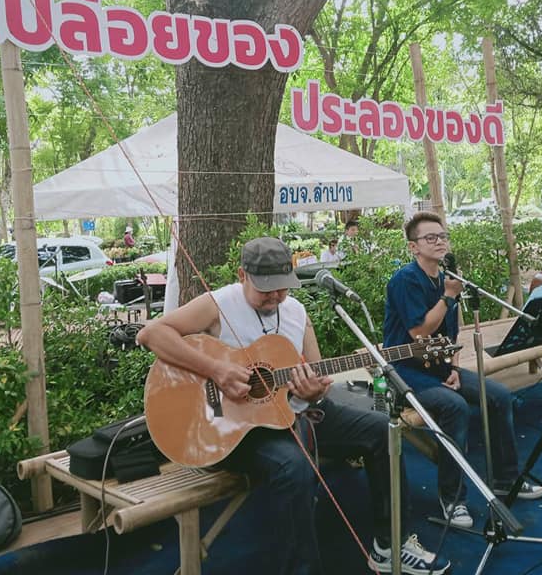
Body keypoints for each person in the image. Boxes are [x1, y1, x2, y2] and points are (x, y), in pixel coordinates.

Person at [137, 237, 449, 575]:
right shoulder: (219, 303)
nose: (275, 296)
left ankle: (390, 545)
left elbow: (316, 376)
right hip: (232, 428)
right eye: (265, 289)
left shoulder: (297, 312)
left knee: (382, 431)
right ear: (242, 276)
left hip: (292, 412)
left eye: (282, 287)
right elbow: (151, 335)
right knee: (293, 466)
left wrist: (314, 391)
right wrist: (217, 370)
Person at [383, 212, 542, 530]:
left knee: (498, 395)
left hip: (440, 367)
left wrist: (454, 367)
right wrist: (448, 296)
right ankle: (452, 498)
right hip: (405, 370)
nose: (440, 242)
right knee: (454, 407)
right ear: (413, 247)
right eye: (431, 238)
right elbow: (420, 332)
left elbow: (451, 335)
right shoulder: (406, 280)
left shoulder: (448, 278)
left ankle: (506, 480)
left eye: (443, 236)